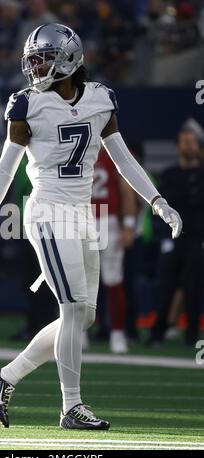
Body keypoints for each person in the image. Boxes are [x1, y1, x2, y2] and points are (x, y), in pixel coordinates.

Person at [0, 23, 182, 430]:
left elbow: (123, 159)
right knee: (73, 308)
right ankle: (71, 407)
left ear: (70, 60)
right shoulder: (26, 104)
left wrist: (157, 201)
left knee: (84, 316)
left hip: (82, 213)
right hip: (46, 211)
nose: (36, 67)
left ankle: (3, 378)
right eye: (33, 60)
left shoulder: (100, 99)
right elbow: (4, 170)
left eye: (44, 59)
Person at [149, 128, 204, 346]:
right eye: (184, 142)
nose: (188, 146)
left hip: (197, 238)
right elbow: (165, 202)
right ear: (178, 146)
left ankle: (191, 334)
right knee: (165, 286)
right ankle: (158, 332)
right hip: (173, 238)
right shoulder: (169, 173)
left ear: (198, 146)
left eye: (191, 142)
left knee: (193, 287)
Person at [92, 146, 136, 353]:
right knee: (78, 284)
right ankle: (77, 332)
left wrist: (128, 224)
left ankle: (117, 332)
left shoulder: (113, 154)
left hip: (107, 221)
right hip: (80, 220)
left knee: (113, 281)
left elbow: (127, 190)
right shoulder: (74, 150)